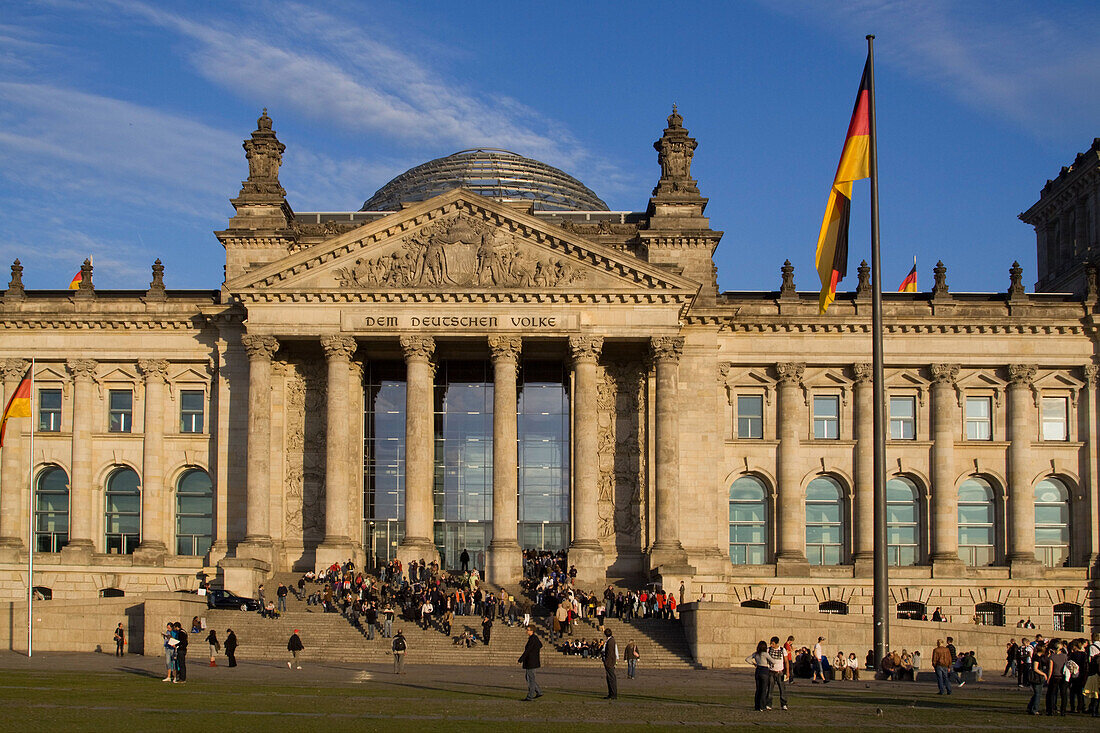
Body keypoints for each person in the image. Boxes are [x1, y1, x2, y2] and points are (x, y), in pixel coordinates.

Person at [518, 625, 544, 701]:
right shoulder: (534, 638)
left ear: (532, 631)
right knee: (528, 677)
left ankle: (530, 696)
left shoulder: (533, 639)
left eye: (528, 630)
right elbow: (540, 645)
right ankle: (538, 691)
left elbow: (528, 650)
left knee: (530, 678)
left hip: (531, 661)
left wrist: (521, 658)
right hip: (532, 660)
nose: (527, 631)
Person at [746, 640, 771, 711]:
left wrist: (754, 664)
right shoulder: (765, 654)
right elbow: (773, 661)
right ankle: (762, 706)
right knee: (763, 690)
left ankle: (757, 706)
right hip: (764, 671)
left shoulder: (756, 654)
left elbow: (747, 659)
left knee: (758, 689)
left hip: (758, 671)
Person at [1045, 639, 1068, 716]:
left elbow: (1050, 670)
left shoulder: (1052, 657)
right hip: (1063, 676)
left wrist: (1048, 678)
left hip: (1054, 676)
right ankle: (1063, 711)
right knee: (1063, 694)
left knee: (1053, 693)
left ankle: (1051, 710)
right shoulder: (1065, 656)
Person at [767, 636, 789, 709]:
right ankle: (769, 704)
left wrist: (787, 672)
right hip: (771, 671)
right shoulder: (769, 650)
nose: (771, 645)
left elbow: (786, 661)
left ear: (776, 643)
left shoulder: (782, 650)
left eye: (772, 643)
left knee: (782, 689)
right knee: (770, 688)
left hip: (780, 672)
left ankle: (783, 704)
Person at [1028, 643, 1048, 715]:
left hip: (1038, 676)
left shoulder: (1040, 657)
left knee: (1037, 693)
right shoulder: (1036, 657)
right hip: (1036, 677)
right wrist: (1043, 674)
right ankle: (1035, 709)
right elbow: (1035, 668)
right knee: (1038, 694)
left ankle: (1030, 707)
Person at [601, 627, 618, 700]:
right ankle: (611, 693)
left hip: (609, 662)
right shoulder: (611, 640)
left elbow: (610, 653)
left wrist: (606, 661)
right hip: (609, 661)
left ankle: (613, 694)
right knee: (609, 678)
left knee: (611, 678)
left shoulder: (611, 641)